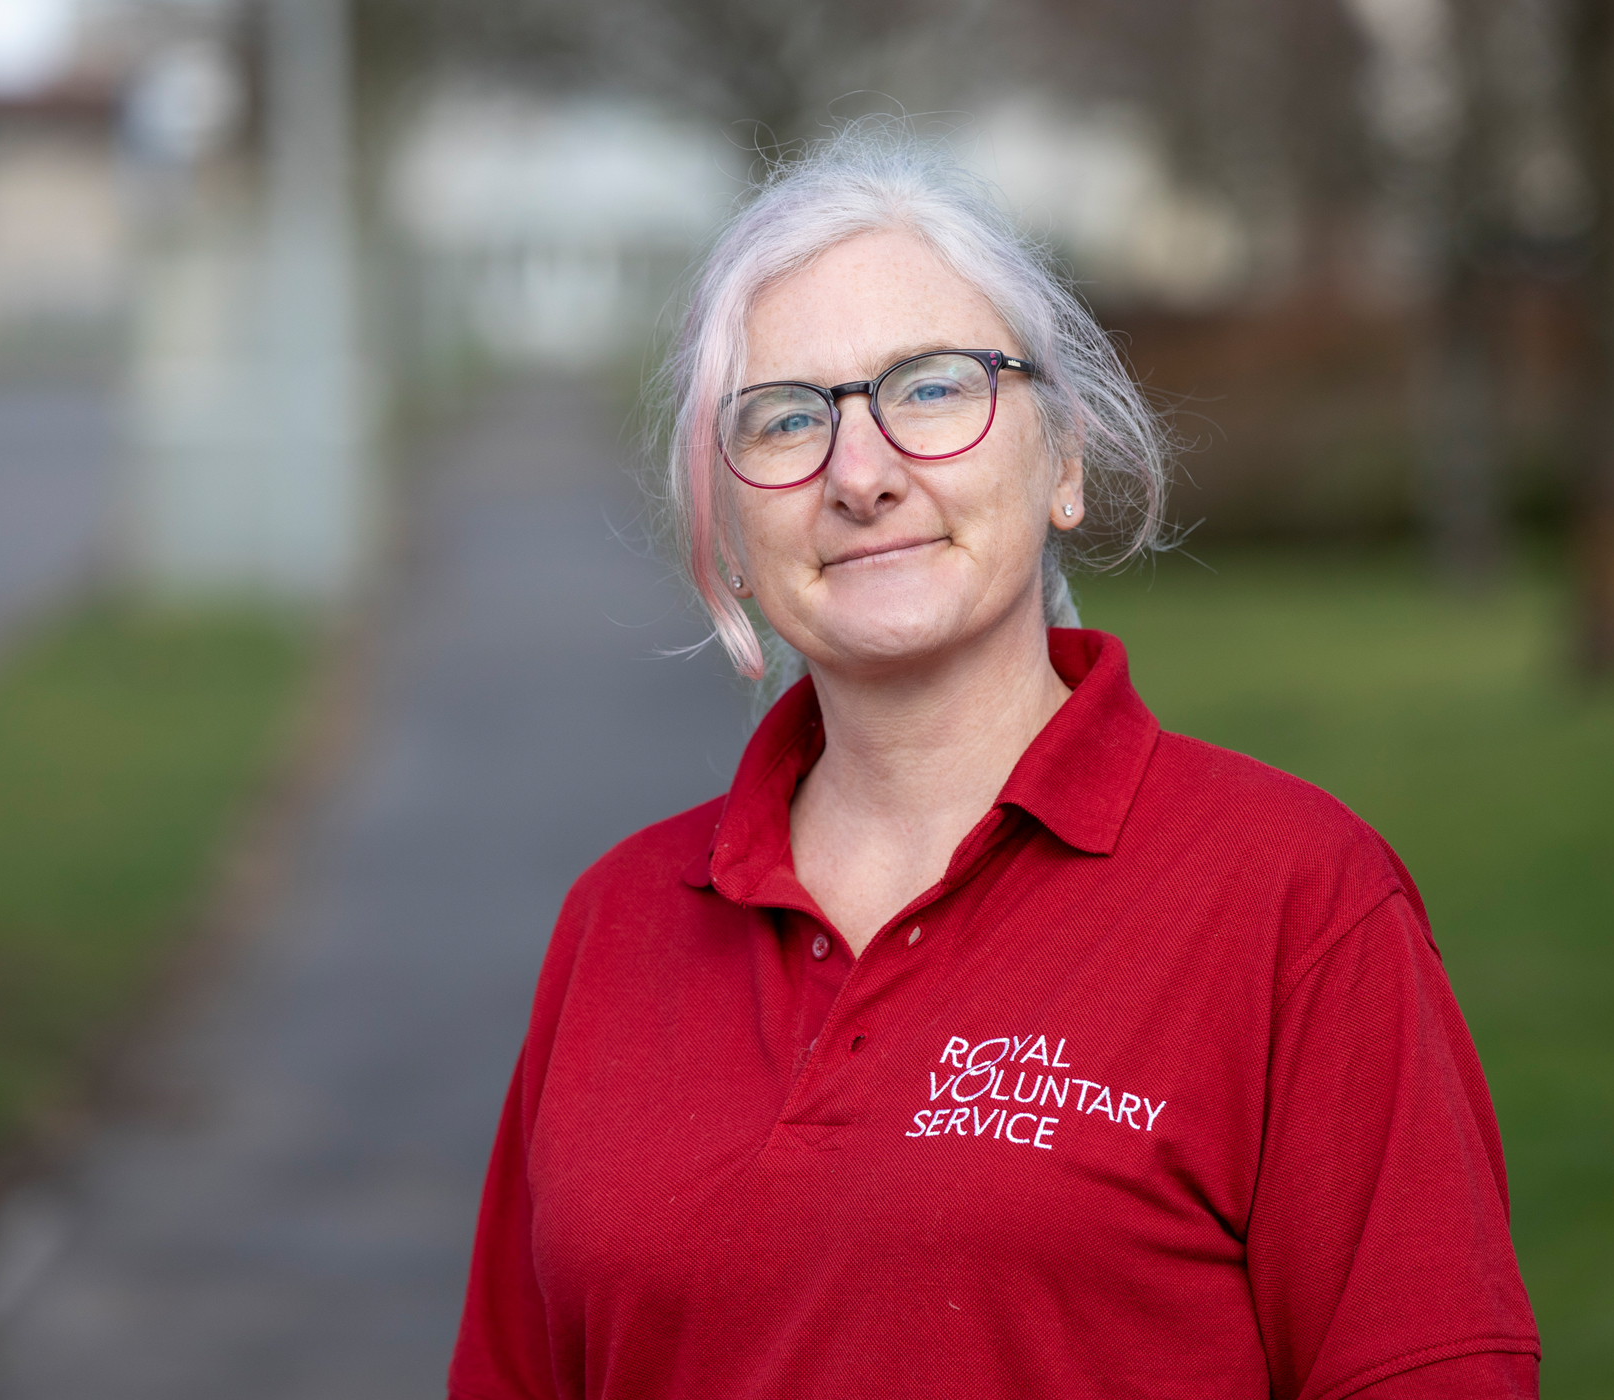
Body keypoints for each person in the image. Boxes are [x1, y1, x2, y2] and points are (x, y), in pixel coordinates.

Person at [449, 123, 1539, 1400]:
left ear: (1063, 458)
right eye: (786, 418)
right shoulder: (614, 925)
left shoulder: (1297, 902)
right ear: (729, 525)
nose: (861, 473)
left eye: (929, 388)